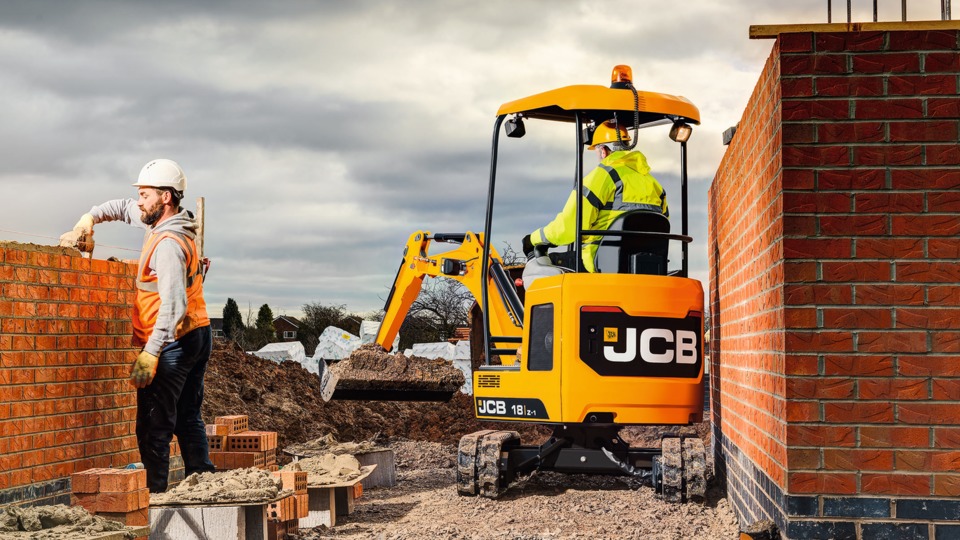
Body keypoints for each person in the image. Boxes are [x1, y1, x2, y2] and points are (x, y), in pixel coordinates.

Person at [60, 158, 215, 492]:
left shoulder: (169, 244)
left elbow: (173, 306)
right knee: (188, 417)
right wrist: (89, 218)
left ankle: (156, 497)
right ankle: (204, 485)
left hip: (175, 339)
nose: (139, 201)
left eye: (145, 195)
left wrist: (151, 352)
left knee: (152, 426)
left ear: (166, 198)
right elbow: (120, 207)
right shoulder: (163, 225)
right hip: (197, 333)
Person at [522, 120, 668, 274]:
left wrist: (532, 239)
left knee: (534, 272)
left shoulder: (604, 176)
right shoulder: (654, 185)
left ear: (603, 150)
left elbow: (568, 228)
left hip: (596, 266)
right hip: (648, 270)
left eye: (597, 151)